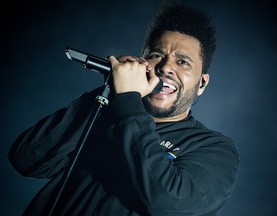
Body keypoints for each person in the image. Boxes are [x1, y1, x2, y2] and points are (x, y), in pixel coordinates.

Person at [8, 1, 239, 216]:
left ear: (202, 83)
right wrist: (110, 91)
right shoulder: (106, 111)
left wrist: (128, 100)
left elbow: (166, 202)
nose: (166, 67)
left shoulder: (213, 149)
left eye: (183, 61)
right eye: (157, 55)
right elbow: (27, 159)